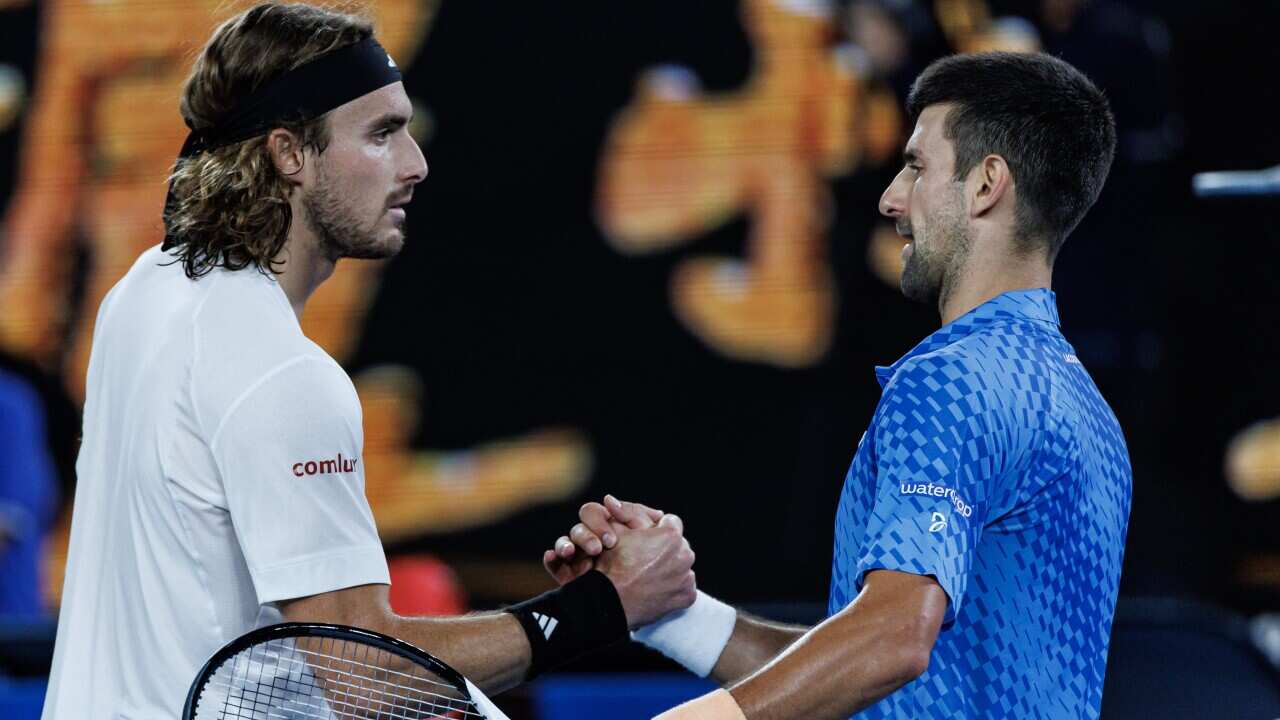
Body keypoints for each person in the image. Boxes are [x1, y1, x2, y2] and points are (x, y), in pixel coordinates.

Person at [40, 4, 695, 718]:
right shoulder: (282, 373)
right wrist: (606, 607)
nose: (416, 164)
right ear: (289, 153)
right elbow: (368, 678)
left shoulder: (143, 294)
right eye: (382, 134)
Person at [553, 51, 1131, 719]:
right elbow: (882, 680)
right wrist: (671, 615)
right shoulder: (1089, 413)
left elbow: (891, 641)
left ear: (985, 185)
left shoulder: (950, 380)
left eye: (916, 167)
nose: (890, 197)